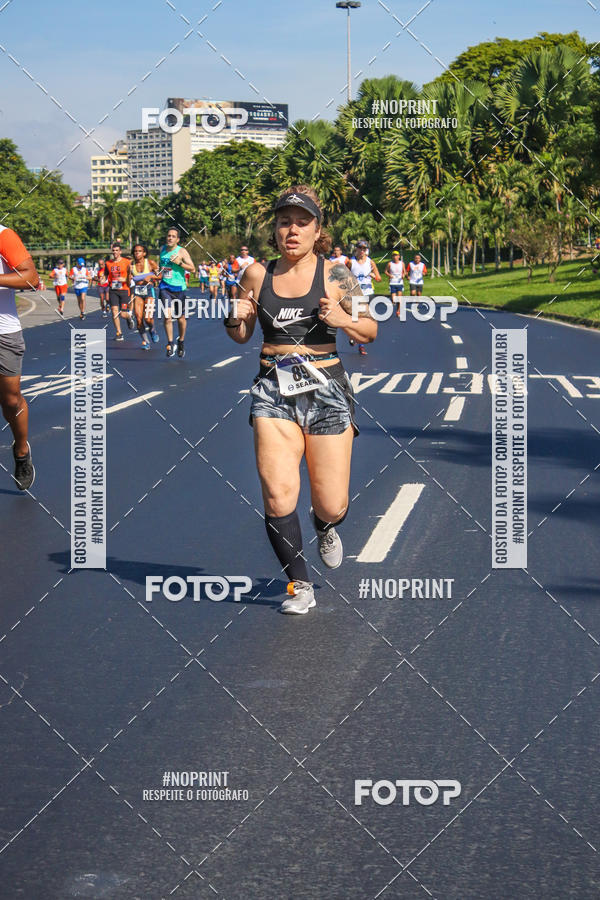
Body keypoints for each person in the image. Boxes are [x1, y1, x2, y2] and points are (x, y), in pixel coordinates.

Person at [224, 185, 376, 614]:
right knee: (277, 493)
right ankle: (300, 586)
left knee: (332, 503)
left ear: (317, 230)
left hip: (326, 387)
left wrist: (343, 318)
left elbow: (370, 329)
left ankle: (324, 525)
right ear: (274, 229)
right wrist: (236, 316)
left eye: (302, 222)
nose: (292, 230)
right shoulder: (256, 274)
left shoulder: (338, 274)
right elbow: (239, 336)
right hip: (273, 387)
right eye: (284, 221)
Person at [0, 226, 39, 489]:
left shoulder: (3, 235)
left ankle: (22, 450)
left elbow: (31, 278)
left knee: (11, 400)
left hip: (3, 332)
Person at [158, 227, 195, 358]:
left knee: (180, 318)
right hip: (164, 287)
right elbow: (161, 267)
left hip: (179, 288)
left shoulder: (182, 251)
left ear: (177, 239)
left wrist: (180, 263)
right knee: (167, 316)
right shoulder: (162, 250)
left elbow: (193, 269)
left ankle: (181, 341)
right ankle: (170, 343)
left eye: (173, 236)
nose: (170, 238)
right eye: (169, 236)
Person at [345, 240, 380, 356]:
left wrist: (372, 275)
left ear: (366, 250)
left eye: (364, 249)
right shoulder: (351, 262)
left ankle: (360, 344)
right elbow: (343, 275)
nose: (362, 251)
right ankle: (354, 337)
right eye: (360, 248)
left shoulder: (370, 262)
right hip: (355, 293)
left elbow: (378, 278)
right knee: (356, 318)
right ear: (356, 249)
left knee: (365, 319)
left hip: (368, 292)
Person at [131, 244, 160, 349]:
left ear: (144, 253)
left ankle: (152, 330)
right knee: (139, 320)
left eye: (139, 251)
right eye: (135, 251)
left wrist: (151, 276)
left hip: (148, 290)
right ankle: (145, 341)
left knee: (148, 318)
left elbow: (160, 275)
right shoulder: (131, 265)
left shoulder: (150, 263)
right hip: (137, 292)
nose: (137, 253)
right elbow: (127, 279)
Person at [105, 241, 132, 341]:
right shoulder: (108, 263)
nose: (115, 252)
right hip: (113, 290)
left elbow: (132, 276)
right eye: (113, 251)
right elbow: (105, 274)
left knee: (123, 314)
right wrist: (103, 278)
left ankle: (129, 317)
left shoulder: (127, 262)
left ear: (120, 252)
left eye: (117, 250)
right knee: (114, 312)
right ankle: (119, 333)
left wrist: (125, 279)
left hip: (124, 290)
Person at [385, 250, 406, 317]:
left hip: (400, 283)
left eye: (396, 255)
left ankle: (398, 311)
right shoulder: (390, 264)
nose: (395, 257)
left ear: (399, 256)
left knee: (399, 299)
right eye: (394, 255)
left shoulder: (402, 263)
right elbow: (385, 271)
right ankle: (393, 302)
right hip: (392, 283)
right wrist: (389, 275)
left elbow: (404, 271)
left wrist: (403, 275)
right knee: (394, 299)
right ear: (392, 257)